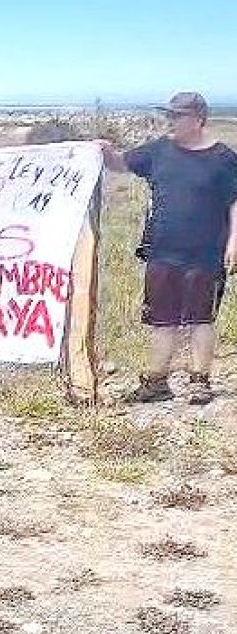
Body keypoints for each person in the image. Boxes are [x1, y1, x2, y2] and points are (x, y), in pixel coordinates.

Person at [101, 92, 237, 405]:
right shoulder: (158, 151)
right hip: (162, 252)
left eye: (177, 116)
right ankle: (157, 383)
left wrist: (234, 242)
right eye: (169, 115)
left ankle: (200, 381)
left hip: (206, 254)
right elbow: (120, 163)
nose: (170, 121)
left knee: (202, 319)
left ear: (198, 119)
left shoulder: (223, 158)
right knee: (162, 320)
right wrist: (104, 150)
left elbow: (234, 201)